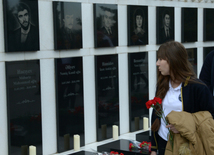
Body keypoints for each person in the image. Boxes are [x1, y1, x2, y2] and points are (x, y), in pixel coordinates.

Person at [150, 41, 214, 155]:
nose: (157, 63)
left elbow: (209, 119)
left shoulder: (198, 88)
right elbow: (156, 115)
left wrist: (184, 126)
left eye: (160, 59)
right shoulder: (162, 85)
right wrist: (154, 149)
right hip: (163, 143)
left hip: (185, 147)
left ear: (173, 60)